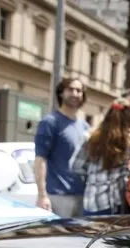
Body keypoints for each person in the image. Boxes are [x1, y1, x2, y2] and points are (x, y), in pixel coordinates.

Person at [71, 98, 130, 216]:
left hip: (93, 202)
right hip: (118, 204)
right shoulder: (129, 142)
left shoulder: (90, 138)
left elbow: (75, 166)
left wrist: (91, 176)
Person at [34, 78, 89, 217]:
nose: (75, 94)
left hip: (82, 196)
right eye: (70, 89)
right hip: (57, 197)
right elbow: (40, 160)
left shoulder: (84, 127)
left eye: (79, 91)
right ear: (61, 93)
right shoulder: (50, 122)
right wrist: (42, 195)